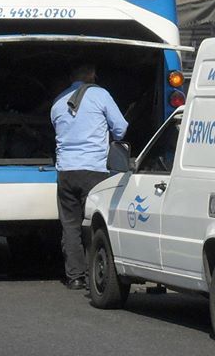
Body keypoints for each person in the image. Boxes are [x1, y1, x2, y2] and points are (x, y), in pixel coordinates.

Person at [50, 63, 127, 290]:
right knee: (95, 224)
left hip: (66, 171)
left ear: (71, 77)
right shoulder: (100, 95)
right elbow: (121, 127)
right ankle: (96, 275)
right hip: (94, 171)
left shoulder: (57, 102)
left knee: (70, 225)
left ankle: (75, 276)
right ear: (92, 75)